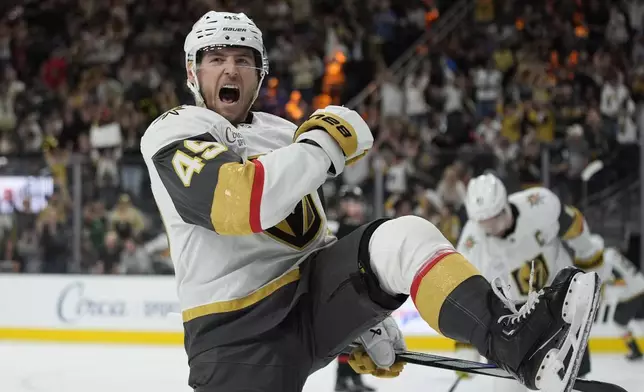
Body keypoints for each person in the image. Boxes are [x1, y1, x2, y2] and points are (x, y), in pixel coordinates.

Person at [140, 11, 601, 392]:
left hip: (307, 298)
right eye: (215, 58)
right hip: (234, 332)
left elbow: (310, 240)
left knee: (403, 237)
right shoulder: (174, 128)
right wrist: (322, 145)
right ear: (192, 71)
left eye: (243, 59)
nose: (229, 70)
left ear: (259, 72)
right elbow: (239, 204)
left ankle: (518, 344)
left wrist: (361, 318)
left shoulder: (282, 133)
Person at [455, 173, 610, 392]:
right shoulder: (472, 241)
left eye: (494, 218)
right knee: (506, 389)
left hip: (562, 303)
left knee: (568, 383)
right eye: (483, 222)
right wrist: (465, 341)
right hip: (515, 317)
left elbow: (576, 228)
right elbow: (468, 292)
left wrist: (592, 263)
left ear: (504, 207)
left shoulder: (539, 204)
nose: (490, 227)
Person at [330, 186, 376, 392]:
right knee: (345, 339)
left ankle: (355, 378)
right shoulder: (336, 229)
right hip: (344, 290)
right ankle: (342, 380)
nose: (353, 207)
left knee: (360, 337)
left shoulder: (363, 228)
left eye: (356, 202)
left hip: (362, 290)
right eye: (349, 202)